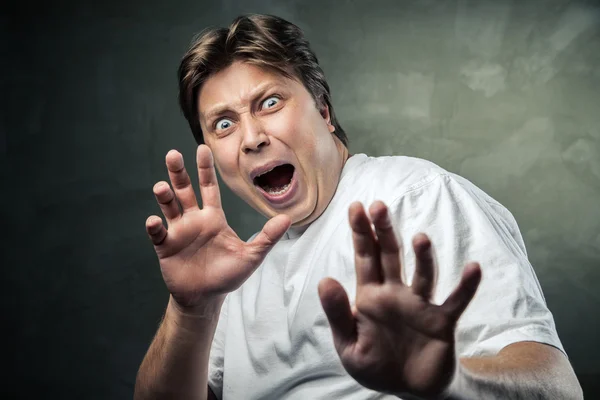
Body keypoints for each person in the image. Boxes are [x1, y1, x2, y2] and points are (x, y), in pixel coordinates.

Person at [134, 14, 583, 400]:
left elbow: (560, 388)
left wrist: (449, 383)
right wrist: (190, 308)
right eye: (224, 123)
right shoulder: (235, 271)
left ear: (324, 111)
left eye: (269, 103)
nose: (251, 138)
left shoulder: (418, 197)